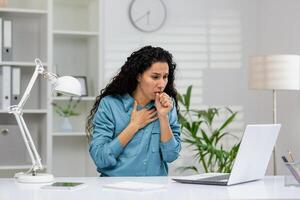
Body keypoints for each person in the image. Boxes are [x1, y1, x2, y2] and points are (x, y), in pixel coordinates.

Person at [86, 46, 181, 176]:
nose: (162, 84)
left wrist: (163, 117)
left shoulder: (167, 106)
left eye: (165, 77)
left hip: (155, 191)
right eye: (155, 77)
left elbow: (171, 156)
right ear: (138, 76)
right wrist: (133, 126)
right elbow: (100, 159)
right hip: (114, 189)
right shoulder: (110, 105)